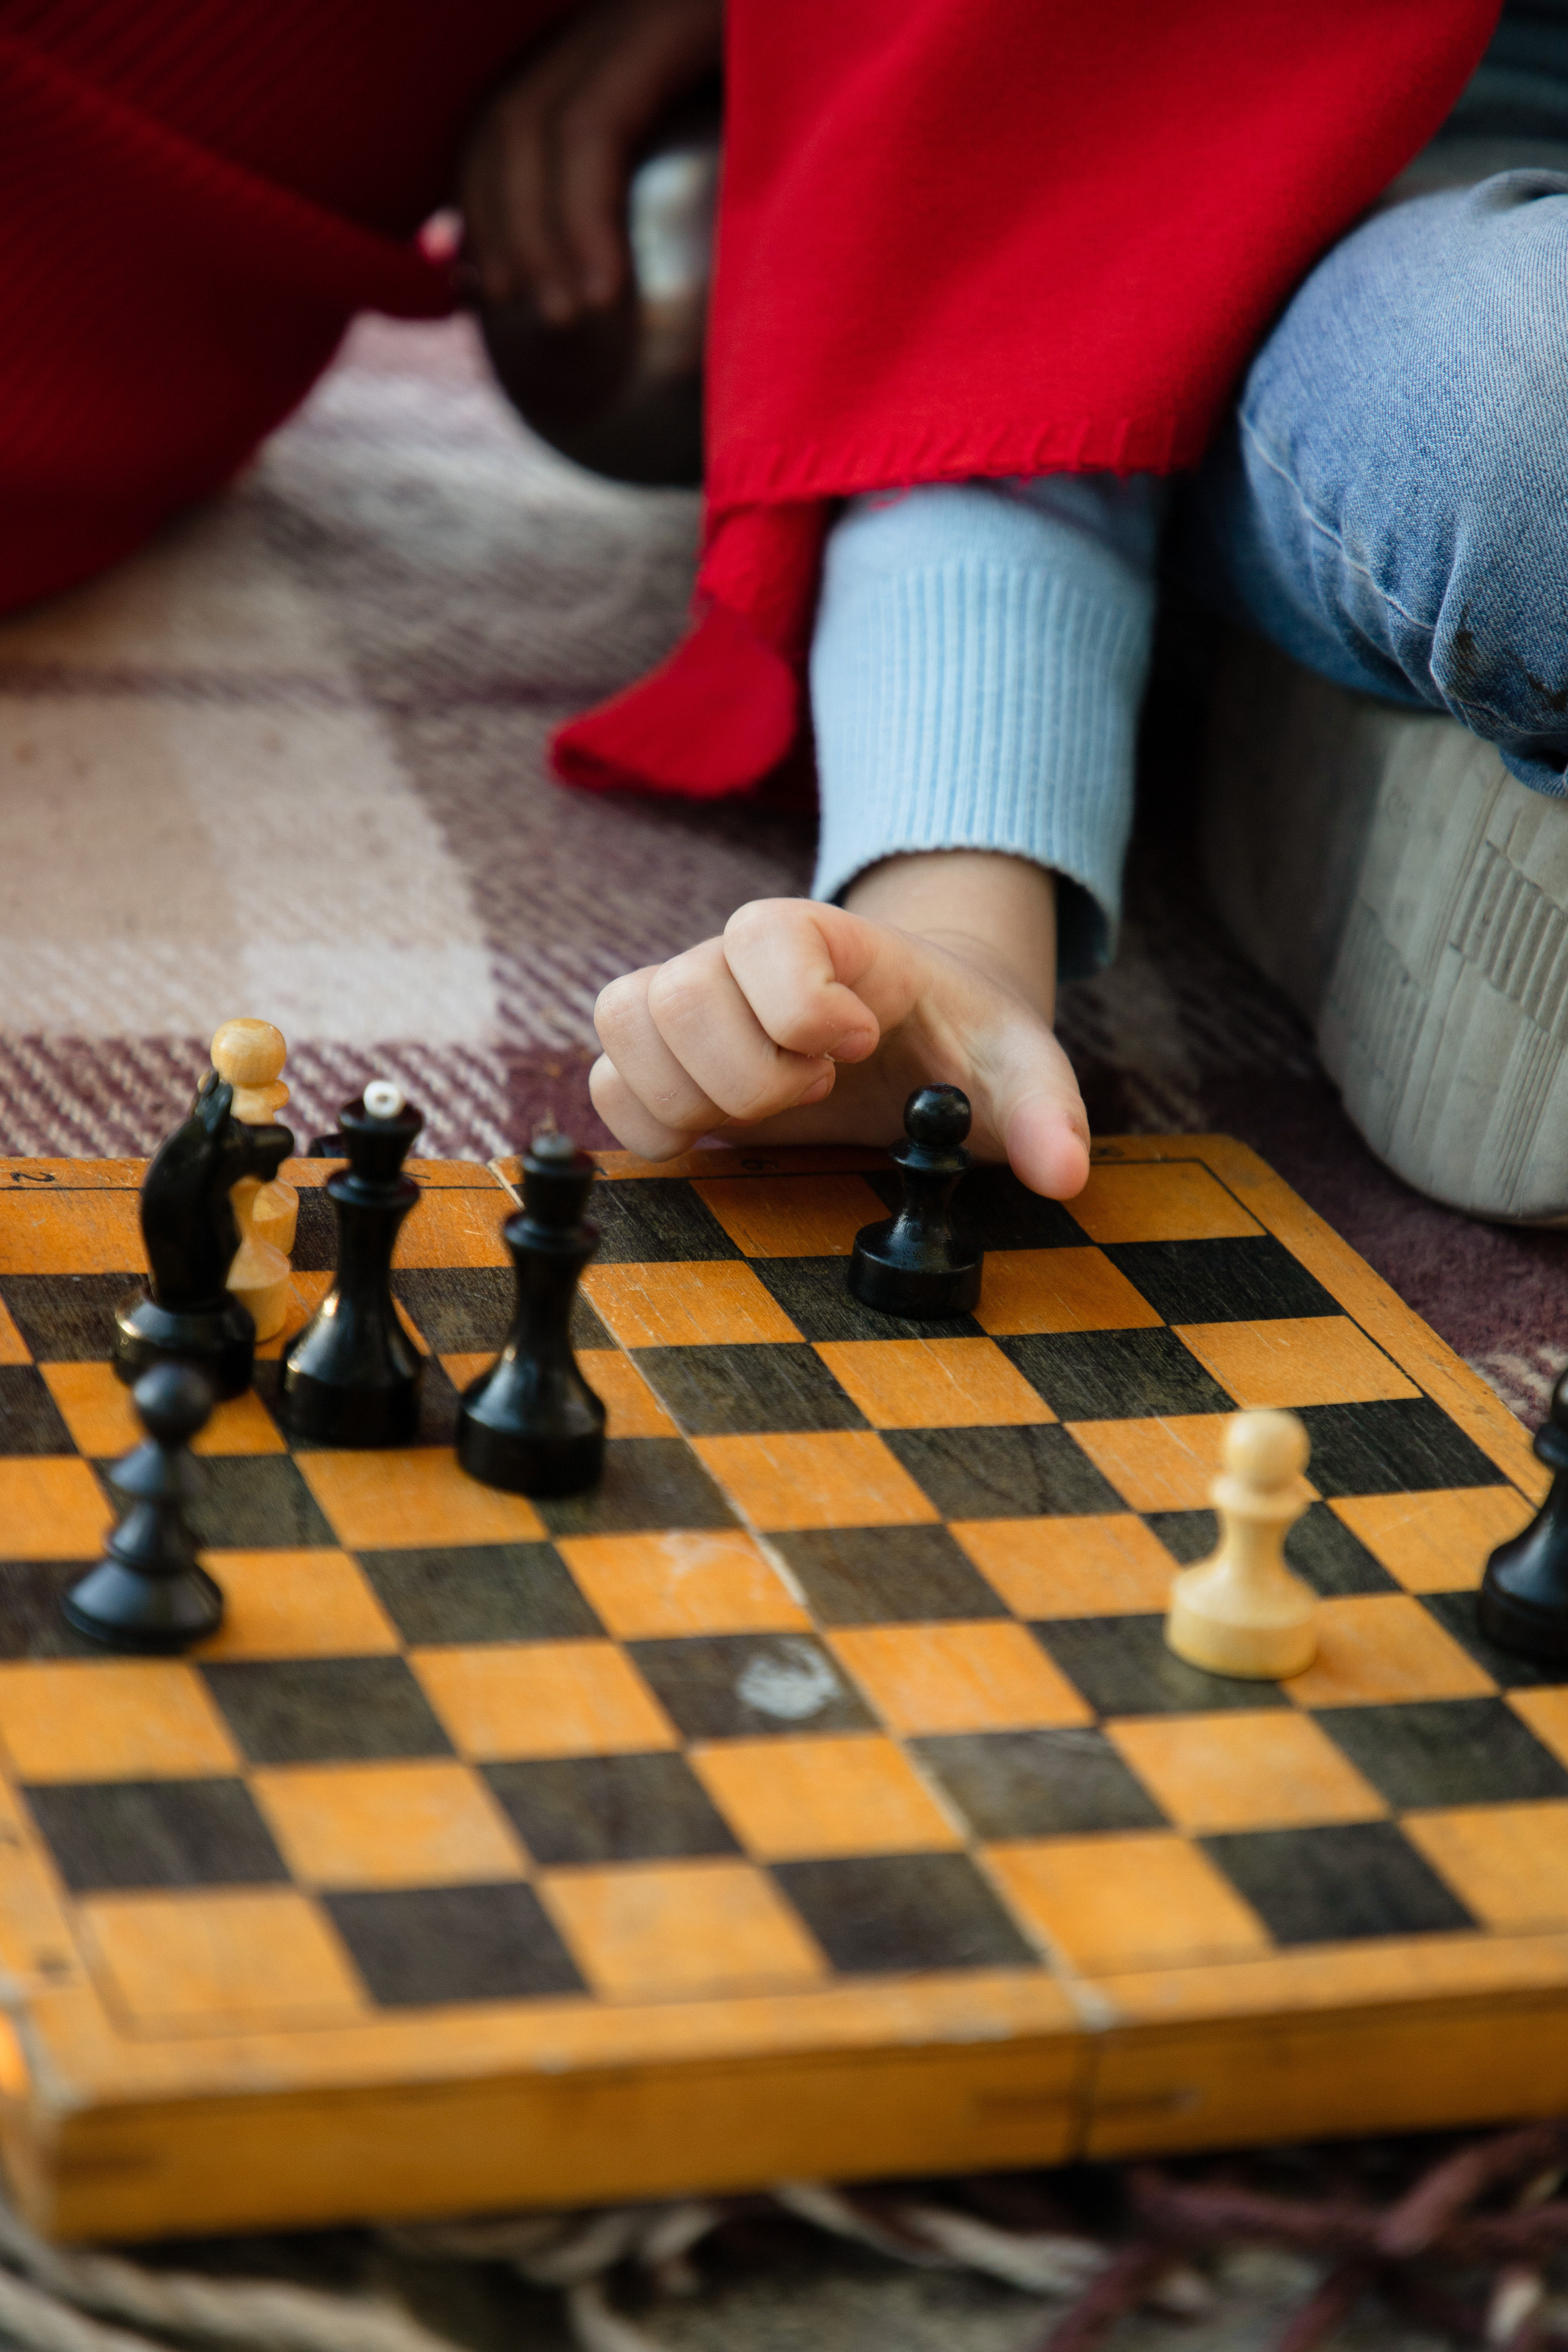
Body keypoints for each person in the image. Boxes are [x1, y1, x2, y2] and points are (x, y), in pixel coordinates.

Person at [469, 0, 1568, 1220]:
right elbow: (1012, 284)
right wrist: (955, 930)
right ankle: (1305, 659)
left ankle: (1371, 676)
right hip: (1380, 238)